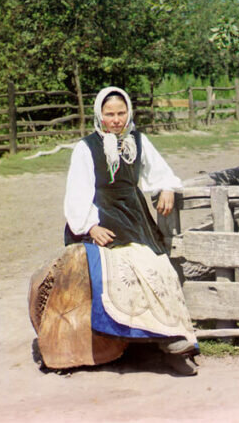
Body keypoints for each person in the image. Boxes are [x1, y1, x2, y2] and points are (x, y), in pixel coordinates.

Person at [63, 86, 199, 375]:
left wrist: (166, 188)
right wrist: (91, 226)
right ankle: (140, 339)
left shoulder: (138, 141)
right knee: (125, 268)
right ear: (99, 114)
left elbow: (159, 171)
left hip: (134, 216)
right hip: (102, 216)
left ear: (129, 113)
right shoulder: (86, 148)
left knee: (158, 267)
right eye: (109, 114)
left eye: (121, 113)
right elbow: (77, 193)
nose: (115, 120)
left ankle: (173, 338)